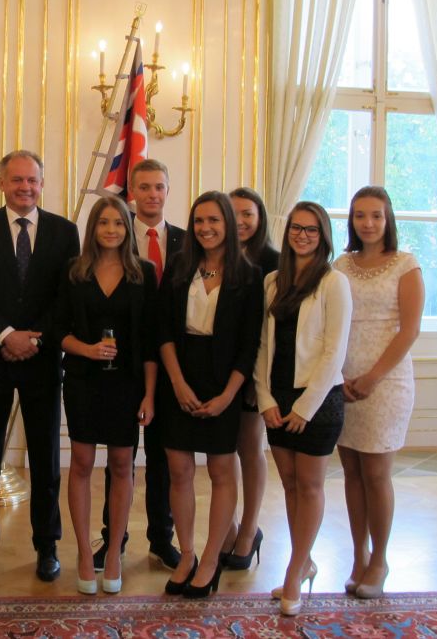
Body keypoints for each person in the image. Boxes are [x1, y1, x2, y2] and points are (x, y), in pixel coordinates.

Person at [0, 150, 80, 581]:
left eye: (32, 180)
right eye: (17, 180)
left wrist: (35, 338)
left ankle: (47, 545)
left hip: (42, 360)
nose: (25, 187)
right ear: (2, 183)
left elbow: (66, 296)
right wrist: (6, 334)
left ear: (42, 184)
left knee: (45, 459)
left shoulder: (65, 232)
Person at [157, 191, 263, 599]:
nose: (205, 228)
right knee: (179, 470)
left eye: (214, 220)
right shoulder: (179, 266)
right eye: (199, 220)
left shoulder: (249, 275)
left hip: (224, 383)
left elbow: (249, 345)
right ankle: (186, 554)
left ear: (228, 225)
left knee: (221, 470)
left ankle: (212, 558)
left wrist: (227, 396)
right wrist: (177, 383)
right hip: (179, 377)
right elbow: (162, 330)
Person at [56, 195, 159, 595]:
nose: (111, 230)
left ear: (128, 229)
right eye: (104, 223)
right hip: (83, 380)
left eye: (118, 223)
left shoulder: (143, 273)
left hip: (127, 384)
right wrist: (86, 349)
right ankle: (85, 553)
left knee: (121, 463)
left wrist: (149, 395)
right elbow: (57, 331)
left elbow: (150, 341)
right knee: (81, 461)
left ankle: (114, 551)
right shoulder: (74, 271)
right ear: (93, 228)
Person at [254, 201, 351, 616]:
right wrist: (265, 400)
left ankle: (295, 571)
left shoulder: (334, 282)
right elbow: (262, 345)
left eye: (312, 229)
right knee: (290, 486)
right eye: (297, 227)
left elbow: (334, 351)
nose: (303, 235)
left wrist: (306, 407)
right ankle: (304, 560)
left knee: (309, 486)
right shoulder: (273, 281)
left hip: (319, 401)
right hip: (277, 399)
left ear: (323, 236)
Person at [94, 158, 183, 572]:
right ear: (132, 192)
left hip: (176, 365)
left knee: (164, 458)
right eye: (144, 187)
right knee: (120, 458)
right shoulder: (115, 239)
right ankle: (114, 538)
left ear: (167, 191)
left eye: (158, 187)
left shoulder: (187, 242)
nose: (151, 194)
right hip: (126, 367)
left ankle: (162, 539)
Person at [333, 186, 423, 599]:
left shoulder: (406, 265)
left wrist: (372, 378)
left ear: (388, 220)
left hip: (385, 383)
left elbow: (409, 330)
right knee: (351, 472)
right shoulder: (341, 265)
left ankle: (380, 560)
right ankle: (359, 555)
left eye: (375, 216)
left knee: (375, 473)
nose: (367, 223)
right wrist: (340, 376)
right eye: (359, 215)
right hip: (343, 381)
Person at [220, 187, 278, 569]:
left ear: (260, 218)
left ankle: (250, 528)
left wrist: (260, 381)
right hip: (218, 370)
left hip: (255, 370)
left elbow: (272, 326)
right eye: (233, 213)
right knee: (220, 453)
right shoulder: (213, 256)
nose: (240, 221)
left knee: (249, 448)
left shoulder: (274, 262)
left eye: (247, 214)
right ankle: (227, 529)